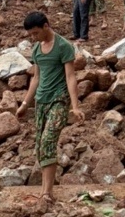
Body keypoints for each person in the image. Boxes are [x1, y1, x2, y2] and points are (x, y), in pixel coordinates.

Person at [16, 12, 83, 202]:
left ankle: (47, 193)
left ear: (46, 26)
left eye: (36, 33)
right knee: (40, 146)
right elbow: (36, 78)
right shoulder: (37, 49)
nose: (33, 37)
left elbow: (70, 77)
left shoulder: (63, 46)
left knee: (47, 141)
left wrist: (75, 106)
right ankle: (45, 192)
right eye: (31, 35)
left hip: (59, 99)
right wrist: (24, 104)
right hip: (41, 101)